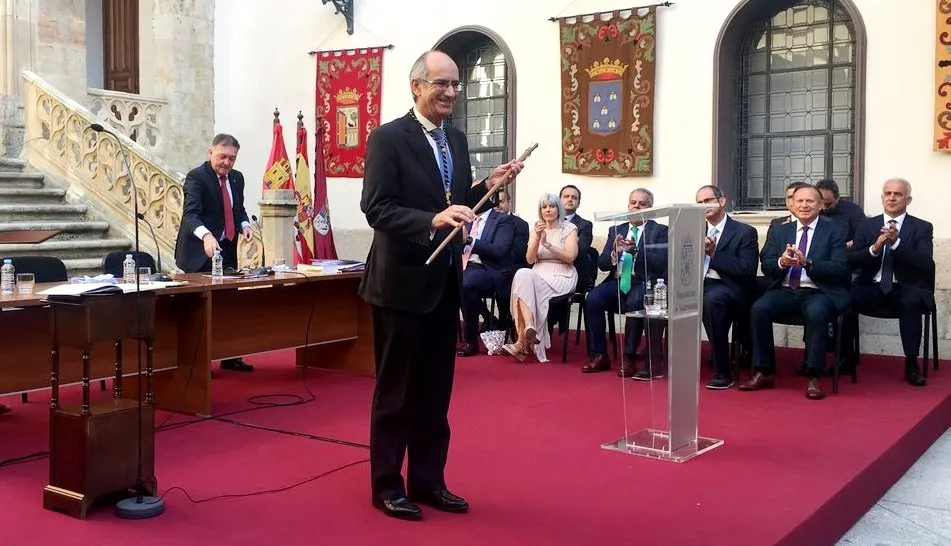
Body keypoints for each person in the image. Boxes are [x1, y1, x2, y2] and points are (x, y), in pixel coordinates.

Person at [359, 50, 523, 521]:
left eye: (456, 85)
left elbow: (454, 203)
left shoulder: (456, 139)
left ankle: (429, 481)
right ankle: (387, 486)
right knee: (397, 393)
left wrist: (485, 186)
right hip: (399, 286)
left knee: (435, 392)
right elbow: (378, 208)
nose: (451, 92)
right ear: (416, 86)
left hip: (443, 283)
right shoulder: (387, 139)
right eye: (441, 84)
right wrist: (431, 219)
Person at [740, 185, 850, 400]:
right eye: (799, 201)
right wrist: (782, 262)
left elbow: (839, 268)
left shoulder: (835, 230)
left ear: (820, 205)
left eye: (810, 201)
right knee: (759, 308)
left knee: (817, 313)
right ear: (792, 205)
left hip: (819, 291)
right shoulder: (781, 231)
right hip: (786, 289)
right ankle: (764, 371)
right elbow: (767, 264)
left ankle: (814, 375)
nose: (804, 205)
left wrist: (807, 262)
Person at [174, 133, 255, 372]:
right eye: (222, 157)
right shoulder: (196, 177)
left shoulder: (237, 179)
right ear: (211, 153)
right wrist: (206, 236)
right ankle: (199, 362)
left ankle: (230, 356)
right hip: (199, 255)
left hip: (226, 252)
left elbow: (238, 210)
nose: (227, 163)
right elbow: (191, 215)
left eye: (232, 158)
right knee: (202, 311)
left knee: (229, 306)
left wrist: (245, 225)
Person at [848, 178, 932, 386]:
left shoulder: (921, 227)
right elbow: (852, 260)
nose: (892, 198)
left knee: (910, 302)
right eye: (888, 194)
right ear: (882, 197)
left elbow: (925, 263)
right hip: (870, 285)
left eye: (898, 194)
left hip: (905, 286)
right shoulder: (867, 225)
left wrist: (897, 244)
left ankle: (911, 363)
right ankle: (844, 358)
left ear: (908, 199)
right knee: (844, 299)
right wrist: (874, 249)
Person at [582, 189, 668, 377]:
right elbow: (603, 264)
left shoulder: (660, 231)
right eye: (633, 203)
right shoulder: (616, 229)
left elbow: (659, 263)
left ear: (650, 208)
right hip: (617, 280)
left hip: (642, 282)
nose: (636, 207)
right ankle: (599, 354)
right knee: (593, 298)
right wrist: (615, 253)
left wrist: (634, 250)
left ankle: (629, 356)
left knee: (635, 303)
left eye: (641, 204)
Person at [501, 193, 579, 363]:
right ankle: (529, 327)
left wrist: (546, 244)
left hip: (562, 273)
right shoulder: (535, 230)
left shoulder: (569, 228)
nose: (548, 210)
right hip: (538, 272)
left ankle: (521, 342)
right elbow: (529, 260)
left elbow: (570, 257)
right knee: (522, 273)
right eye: (544, 207)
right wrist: (536, 238)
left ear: (558, 209)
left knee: (526, 288)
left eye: (551, 206)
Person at [695, 185, 759, 390]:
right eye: (699, 203)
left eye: (708, 201)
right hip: (698, 284)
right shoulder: (693, 230)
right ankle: (657, 364)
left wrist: (714, 254)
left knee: (712, 300)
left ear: (721, 201)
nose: (703, 206)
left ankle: (723, 372)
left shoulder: (744, 232)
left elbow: (746, 271)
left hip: (729, 286)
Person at [457, 202, 516, 357]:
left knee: (466, 284)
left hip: (487, 268)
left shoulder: (502, 220)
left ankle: (470, 341)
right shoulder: (461, 218)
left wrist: (469, 240)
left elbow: (499, 250)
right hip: (460, 265)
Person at [559, 184, 594, 288]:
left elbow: (581, 249)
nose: (570, 199)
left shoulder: (585, 225)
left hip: (571, 268)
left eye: (574, 198)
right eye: (566, 196)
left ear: (578, 203)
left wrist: (552, 249)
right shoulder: (548, 221)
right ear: (558, 201)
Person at [816, 178, 866, 248]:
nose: (823, 208)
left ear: (837, 198)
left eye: (828, 204)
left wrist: (844, 246)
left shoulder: (854, 211)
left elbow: (863, 236)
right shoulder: (814, 210)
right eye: (820, 203)